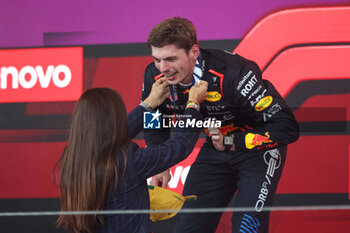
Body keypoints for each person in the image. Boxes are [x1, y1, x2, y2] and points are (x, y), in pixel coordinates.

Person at [141, 17, 300, 233]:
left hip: (257, 149)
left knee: (247, 228)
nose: (163, 68)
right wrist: (159, 163)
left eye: (171, 59)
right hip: (215, 148)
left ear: (194, 52)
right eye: (157, 59)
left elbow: (286, 126)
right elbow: (154, 121)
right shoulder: (154, 74)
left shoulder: (234, 72)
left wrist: (232, 141)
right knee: (188, 226)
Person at [54, 77, 208, 233]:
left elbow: (114, 134)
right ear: (114, 120)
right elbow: (178, 147)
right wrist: (193, 104)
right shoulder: (128, 160)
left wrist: (148, 104)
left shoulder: (72, 158)